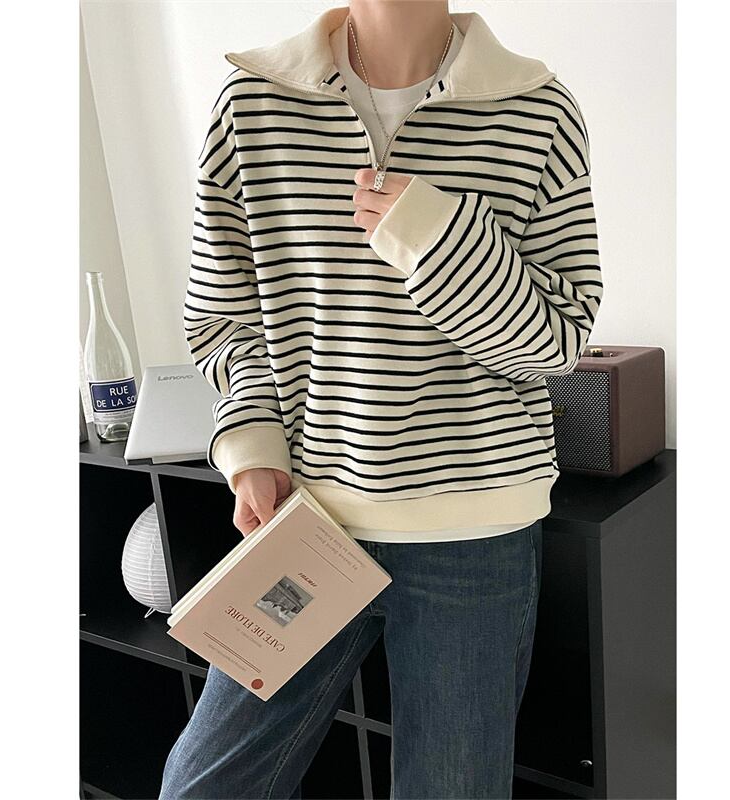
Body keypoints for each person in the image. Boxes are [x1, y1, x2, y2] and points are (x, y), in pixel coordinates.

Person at [160, 0, 603, 797]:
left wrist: (439, 239)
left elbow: (559, 342)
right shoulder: (253, 102)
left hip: (475, 530)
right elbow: (224, 319)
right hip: (309, 519)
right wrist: (251, 446)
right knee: (203, 785)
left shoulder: (535, 107)